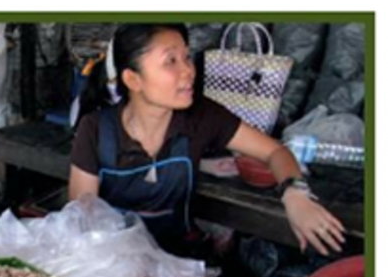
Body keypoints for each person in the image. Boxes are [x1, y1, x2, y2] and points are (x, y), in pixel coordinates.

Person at [69, 23, 346, 257]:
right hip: (111, 260)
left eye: (187, 58)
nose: (188, 70)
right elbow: (84, 220)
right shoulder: (95, 130)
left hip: (178, 260)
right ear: (133, 79)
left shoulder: (202, 116)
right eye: (171, 61)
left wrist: (295, 193)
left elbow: (274, 152)